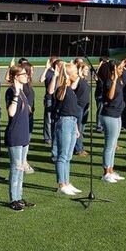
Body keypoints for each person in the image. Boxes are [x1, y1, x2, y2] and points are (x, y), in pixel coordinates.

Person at [5, 65, 33, 211]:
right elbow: (11, 112)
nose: (27, 75)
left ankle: (19, 197)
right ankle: (13, 199)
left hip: (23, 134)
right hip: (15, 135)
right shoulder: (11, 91)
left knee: (21, 168)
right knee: (15, 168)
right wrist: (16, 94)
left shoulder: (22, 91)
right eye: (23, 74)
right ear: (16, 77)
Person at [52, 62, 82, 194]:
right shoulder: (61, 89)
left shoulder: (70, 89)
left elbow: (73, 110)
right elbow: (59, 95)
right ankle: (61, 184)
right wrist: (64, 76)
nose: (77, 74)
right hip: (64, 122)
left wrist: (76, 128)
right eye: (75, 72)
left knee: (68, 156)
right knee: (62, 155)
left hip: (71, 122)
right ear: (68, 75)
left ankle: (67, 182)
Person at [98, 60, 126, 183]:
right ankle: (106, 172)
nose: (121, 70)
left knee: (114, 145)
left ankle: (111, 170)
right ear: (113, 70)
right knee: (109, 145)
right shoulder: (109, 82)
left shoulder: (118, 80)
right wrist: (114, 80)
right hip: (110, 116)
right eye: (119, 68)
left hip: (117, 115)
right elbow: (110, 96)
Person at [73, 62, 91, 156]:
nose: (87, 71)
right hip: (78, 107)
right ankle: (78, 149)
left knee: (82, 129)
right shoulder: (77, 80)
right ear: (80, 70)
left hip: (85, 107)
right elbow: (74, 89)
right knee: (78, 129)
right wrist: (78, 76)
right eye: (86, 69)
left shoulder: (84, 80)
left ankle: (80, 147)